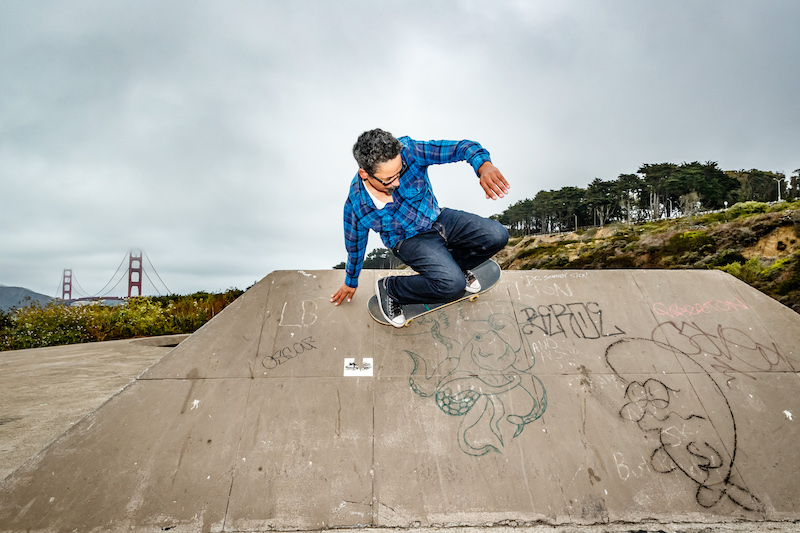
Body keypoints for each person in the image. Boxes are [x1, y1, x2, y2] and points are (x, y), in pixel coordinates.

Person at [330, 128, 510, 327]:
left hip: (439, 218)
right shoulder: (357, 205)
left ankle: (457, 268)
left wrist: (483, 166)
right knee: (453, 286)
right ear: (365, 174)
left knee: (497, 235)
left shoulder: (411, 151)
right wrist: (350, 281)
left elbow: (462, 147)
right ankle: (391, 289)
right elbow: (355, 247)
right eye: (389, 179)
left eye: (399, 172)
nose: (397, 182)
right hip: (408, 240)